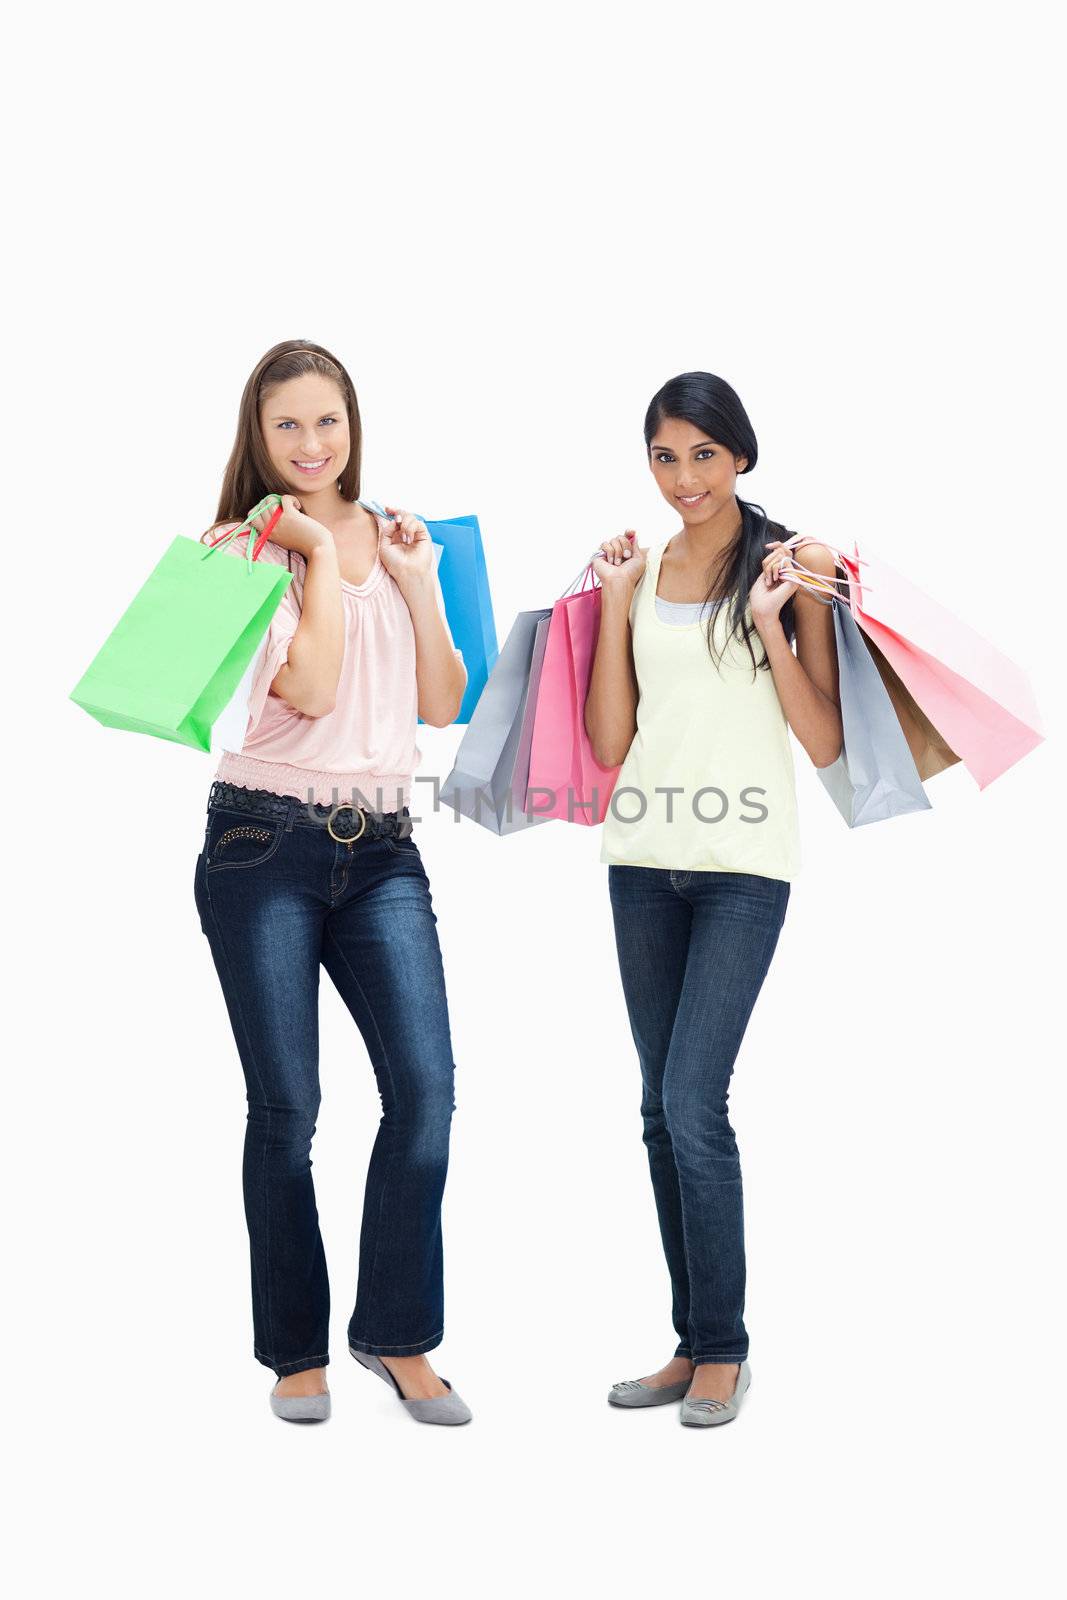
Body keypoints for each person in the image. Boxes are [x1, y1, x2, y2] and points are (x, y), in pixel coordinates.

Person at [193, 339, 472, 1425]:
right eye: (286, 427)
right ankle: (294, 1350)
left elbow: (442, 701)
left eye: (327, 422)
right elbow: (306, 691)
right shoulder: (248, 546)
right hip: (262, 843)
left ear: (353, 425)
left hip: (387, 847)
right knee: (290, 1105)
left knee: (427, 1094)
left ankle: (396, 1335)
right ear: (256, 441)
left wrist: (411, 579)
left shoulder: (398, 535)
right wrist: (308, 551)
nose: (311, 446)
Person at [586, 370, 842, 1428]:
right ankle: (691, 1345)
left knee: (693, 1101)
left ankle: (725, 1350)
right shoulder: (641, 573)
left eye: (701, 453)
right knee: (657, 1111)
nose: (682, 477)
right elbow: (607, 743)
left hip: (743, 865)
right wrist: (611, 604)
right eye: (662, 455)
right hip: (641, 858)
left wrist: (774, 621)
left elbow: (823, 739)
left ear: (739, 454)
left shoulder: (790, 565)